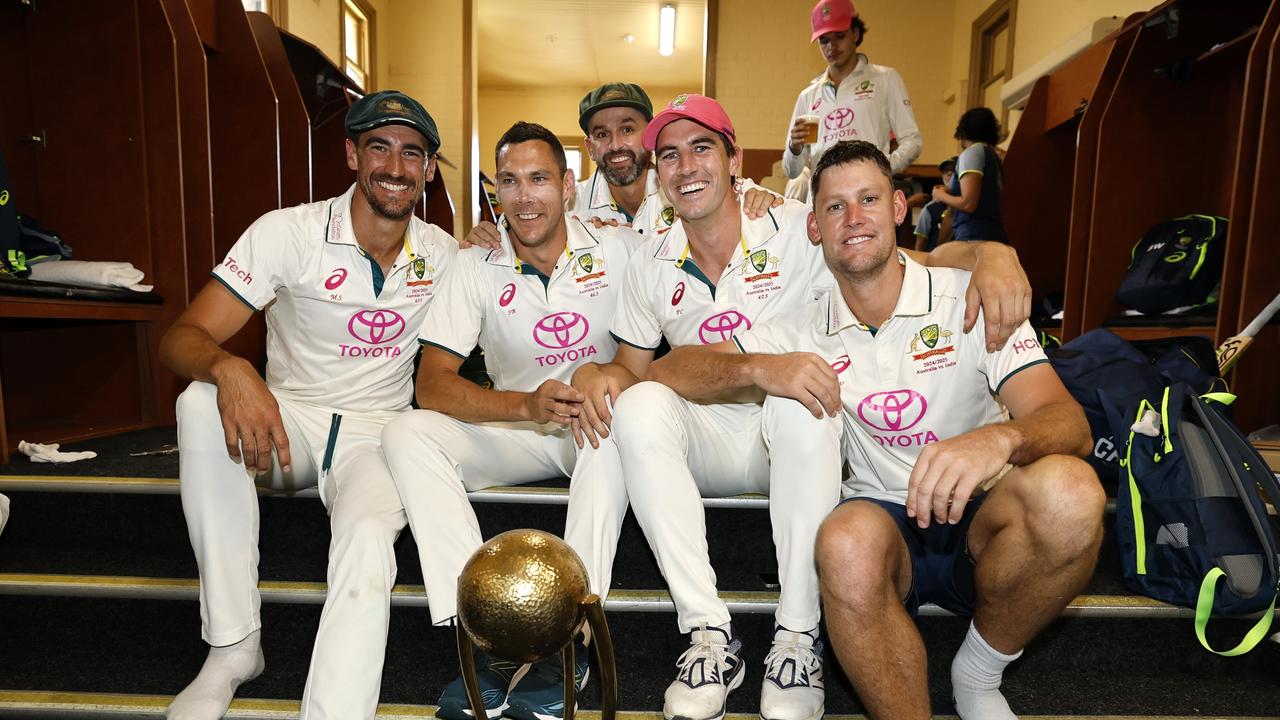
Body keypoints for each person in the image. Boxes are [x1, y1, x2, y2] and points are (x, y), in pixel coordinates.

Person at [569, 94, 1032, 720]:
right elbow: (639, 369)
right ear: (658, 174)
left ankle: (796, 638)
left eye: (702, 148)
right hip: (709, 426)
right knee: (641, 403)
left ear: (735, 159)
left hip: (797, 437)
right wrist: (600, 371)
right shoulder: (649, 259)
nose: (686, 166)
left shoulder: (802, 223)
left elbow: (913, 260)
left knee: (798, 393)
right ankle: (707, 636)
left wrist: (991, 253)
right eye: (669, 156)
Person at [712, 140, 1103, 719]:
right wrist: (759, 367)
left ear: (898, 208)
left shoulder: (969, 297)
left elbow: (1069, 423)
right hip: (885, 524)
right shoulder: (799, 321)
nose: (854, 219)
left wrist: (999, 439)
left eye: (868, 199)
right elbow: (679, 368)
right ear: (814, 229)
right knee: (842, 543)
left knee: (1072, 493)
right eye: (835, 208)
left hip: (986, 517)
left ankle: (977, 674)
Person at [158, 91, 458, 720]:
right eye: (379, 147)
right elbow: (182, 336)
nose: (396, 168)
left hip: (379, 433)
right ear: (352, 154)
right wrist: (230, 365)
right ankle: (233, 645)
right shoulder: (286, 231)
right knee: (197, 402)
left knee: (370, 536)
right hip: (285, 421)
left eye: (413, 153)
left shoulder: (446, 253)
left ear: (429, 170)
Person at [380, 122, 639, 720]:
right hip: (520, 427)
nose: (525, 198)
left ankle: (563, 645)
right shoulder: (476, 263)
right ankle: (484, 633)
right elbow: (432, 385)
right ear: (495, 191)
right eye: (510, 183)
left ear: (569, 186)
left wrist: (760, 193)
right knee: (405, 432)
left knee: (611, 434)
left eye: (540, 179)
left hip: (595, 430)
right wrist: (524, 405)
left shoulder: (621, 248)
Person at [465, 82, 781, 248]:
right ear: (589, 147)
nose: (615, 145)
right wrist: (489, 234)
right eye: (602, 134)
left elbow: (735, 191)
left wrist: (760, 196)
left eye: (628, 129)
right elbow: (525, 220)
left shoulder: (685, 188)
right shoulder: (570, 202)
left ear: (651, 135)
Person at [783, 0, 921, 201]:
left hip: (868, 196)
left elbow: (912, 141)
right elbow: (792, 171)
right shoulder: (809, 96)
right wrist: (795, 149)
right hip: (824, 201)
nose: (832, 46)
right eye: (824, 40)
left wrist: (880, 169)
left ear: (855, 33)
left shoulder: (885, 79)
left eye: (839, 36)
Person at [932, 108, 1006, 243]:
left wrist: (941, 195)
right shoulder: (993, 156)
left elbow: (968, 204)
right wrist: (949, 190)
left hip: (973, 237)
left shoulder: (972, 153)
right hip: (994, 234)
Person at [913, 157, 956, 251]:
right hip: (936, 261)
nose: (949, 174)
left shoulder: (968, 204)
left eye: (953, 170)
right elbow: (920, 244)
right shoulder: (930, 209)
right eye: (945, 171)